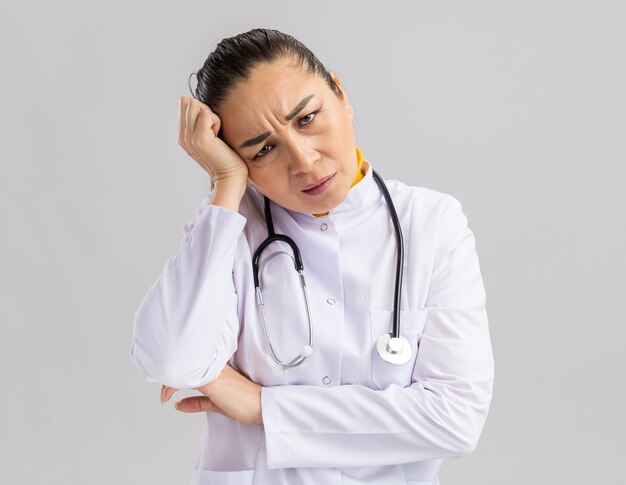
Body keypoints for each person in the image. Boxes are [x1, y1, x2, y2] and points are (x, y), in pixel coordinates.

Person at [130, 28, 494, 485]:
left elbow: (455, 420)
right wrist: (225, 187)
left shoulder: (431, 223)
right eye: (263, 149)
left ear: (340, 94)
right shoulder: (230, 231)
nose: (303, 160)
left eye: (306, 119)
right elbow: (169, 359)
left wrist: (259, 405)